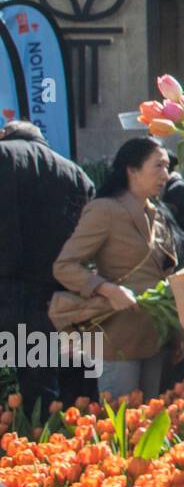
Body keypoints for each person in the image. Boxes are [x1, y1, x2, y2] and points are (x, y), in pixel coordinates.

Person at [52, 136, 178, 401]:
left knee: (151, 424)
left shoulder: (157, 214)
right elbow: (65, 266)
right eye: (158, 166)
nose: (166, 175)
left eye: (167, 167)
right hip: (118, 338)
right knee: (120, 425)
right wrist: (108, 289)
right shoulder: (104, 210)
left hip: (155, 336)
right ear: (131, 170)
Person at [0, 120, 95, 408]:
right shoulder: (77, 176)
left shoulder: (4, 156)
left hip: (4, 288)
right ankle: (41, 447)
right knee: (40, 389)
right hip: (52, 298)